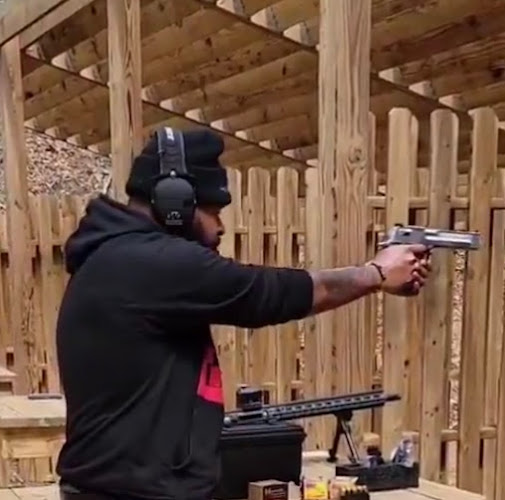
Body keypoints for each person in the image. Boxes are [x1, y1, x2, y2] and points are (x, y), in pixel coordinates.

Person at [55, 128, 431, 500]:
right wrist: (376, 273)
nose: (220, 227)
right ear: (174, 202)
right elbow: (267, 292)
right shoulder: (150, 262)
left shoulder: (116, 258)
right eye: (213, 212)